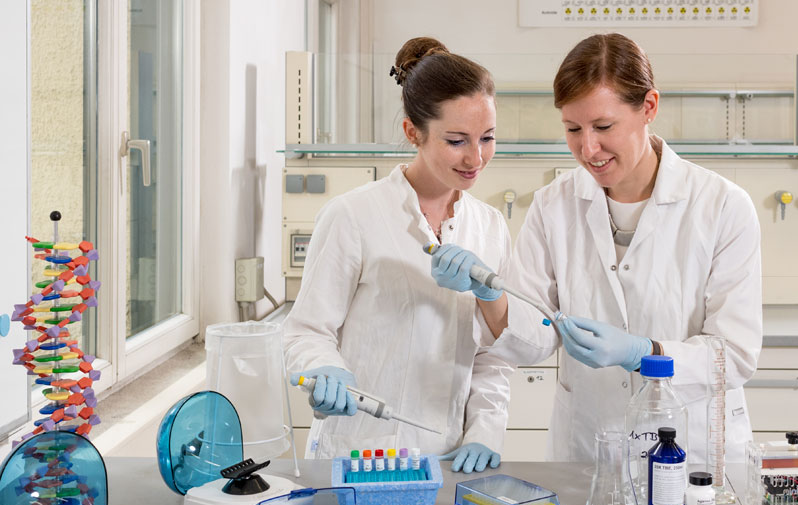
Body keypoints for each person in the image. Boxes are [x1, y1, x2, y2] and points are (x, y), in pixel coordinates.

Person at [429, 33, 761, 463]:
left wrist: (646, 353)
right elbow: (531, 339)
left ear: (649, 108)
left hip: (692, 449)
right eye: (573, 129)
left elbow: (733, 355)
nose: (588, 148)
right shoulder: (553, 204)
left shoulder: (722, 206)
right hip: (591, 446)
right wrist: (490, 296)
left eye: (604, 127)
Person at [283, 37, 512, 473]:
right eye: (457, 140)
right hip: (357, 453)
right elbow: (306, 331)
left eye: (487, 138)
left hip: (447, 459)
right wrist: (324, 369)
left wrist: (485, 429)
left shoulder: (490, 227)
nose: (476, 157)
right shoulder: (353, 215)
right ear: (413, 132)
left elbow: (492, 357)